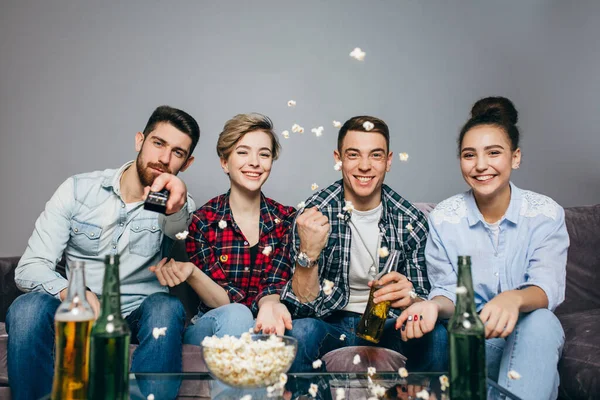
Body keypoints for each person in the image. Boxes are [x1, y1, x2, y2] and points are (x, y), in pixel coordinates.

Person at [7, 105, 200, 400]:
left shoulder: (178, 205)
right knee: (27, 308)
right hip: (76, 313)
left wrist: (177, 204)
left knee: (166, 307)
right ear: (140, 141)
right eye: (158, 143)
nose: (164, 158)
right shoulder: (78, 190)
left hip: (138, 316)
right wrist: (73, 293)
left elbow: (177, 227)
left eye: (177, 152)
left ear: (186, 164)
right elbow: (30, 267)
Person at [396, 97, 568, 399]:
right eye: (469, 155)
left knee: (541, 322)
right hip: (474, 343)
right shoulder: (445, 219)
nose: (480, 165)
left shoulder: (545, 213)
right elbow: (449, 292)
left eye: (494, 153)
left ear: (515, 157)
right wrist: (431, 305)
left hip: (531, 336)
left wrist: (513, 299)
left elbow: (547, 287)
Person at [281, 116, 448, 372]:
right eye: (353, 155)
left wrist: (411, 298)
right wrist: (308, 254)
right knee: (301, 331)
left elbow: (424, 300)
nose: (365, 166)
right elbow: (300, 308)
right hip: (330, 325)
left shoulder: (409, 220)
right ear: (339, 159)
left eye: (376, 155)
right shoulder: (313, 215)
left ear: (388, 161)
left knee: (436, 335)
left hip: (387, 325)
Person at [150, 113, 295, 344]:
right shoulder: (202, 221)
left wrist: (270, 303)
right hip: (213, 324)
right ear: (224, 162)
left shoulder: (286, 219)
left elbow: (276, 283)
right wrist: (193, 272)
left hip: (267, 321)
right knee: (238, 315)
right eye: (243, 152)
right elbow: (224, 300)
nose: (255, 162)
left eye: (264, 154)